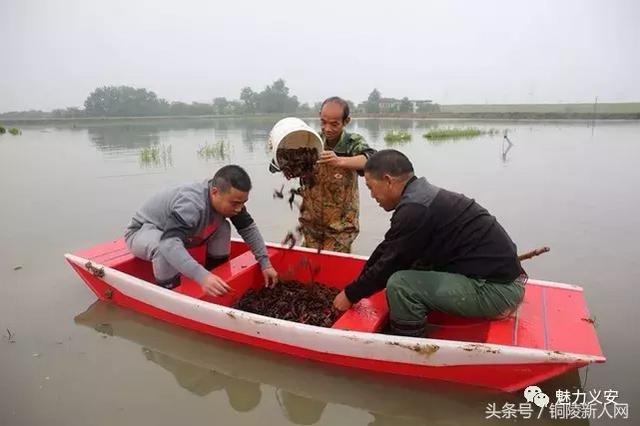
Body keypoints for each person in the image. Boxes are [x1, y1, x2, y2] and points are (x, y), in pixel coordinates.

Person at [333, 150, 526, 337]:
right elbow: (388, 247)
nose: (372, 196)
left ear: (388, 180)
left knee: (401, 285)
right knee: (415, 266)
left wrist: (349, 295)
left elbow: (390, 265)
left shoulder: (415, 210)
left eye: (370, 187)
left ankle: (408, 343)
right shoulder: (420, 197)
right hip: (498, 280)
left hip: (497, 291)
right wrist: (356, 283)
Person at [124, 165, 278, 295]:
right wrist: (202, 276)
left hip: (179, 233)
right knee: (163, 248)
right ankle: (170, 291)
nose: (239, 209)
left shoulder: (231, 203)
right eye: (235, 203)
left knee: (223, 227)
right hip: (144, 231)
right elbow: (169, 243)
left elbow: (249, 229)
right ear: (215, 192)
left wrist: (266, 264)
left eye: (243, 203)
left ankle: (218, 278)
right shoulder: (192, 204)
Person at [270, 96, 375, 253]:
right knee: (308, 268)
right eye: (323, 122)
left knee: (332, 268)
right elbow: (275, 167)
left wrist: (339, 160)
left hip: (341, 228)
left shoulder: (352, 142)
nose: (327, 128)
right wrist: (277, 150)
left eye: (334, 124)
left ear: (346, 121)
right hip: (311, 225)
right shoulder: (310, 140)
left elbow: (371, 160)